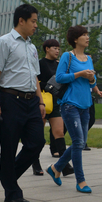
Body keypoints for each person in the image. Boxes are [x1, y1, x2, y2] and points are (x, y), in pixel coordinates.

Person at [0, 4, 47, 202]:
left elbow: (35, 76)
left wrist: (40, 101)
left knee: (37, 142)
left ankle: (7, 174)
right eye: (33, 21)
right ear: (21, 20)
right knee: (9, 146)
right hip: (10, 100)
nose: (36, 25)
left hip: (32, 102)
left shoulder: (31, 47)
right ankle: (12, 193)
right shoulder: (4, 42)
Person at [46, 26, 102, 194]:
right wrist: (80, 74)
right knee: (78, 142)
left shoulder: (89, 58)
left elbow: (92, 82)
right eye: (83, 35)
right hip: (70, 104)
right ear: (75, 39)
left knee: (80, 142)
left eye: (87, 35)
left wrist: (91, 79)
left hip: (86, 105)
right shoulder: (67, 56)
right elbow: (59, 77)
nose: (87, 37)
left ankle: (56, 168)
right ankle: (81, 181)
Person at [35, 39, 73, 176]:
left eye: (58, 48)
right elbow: (35, 80)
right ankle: (35, 163)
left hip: (56, 100)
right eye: (54, 48)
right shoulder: (40, 63)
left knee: (59, 132)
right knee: (38, 134)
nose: (57, 51)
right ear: (47, 49)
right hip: (43, 100)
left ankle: (64, 165)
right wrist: (46, 86)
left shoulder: (59, 64)